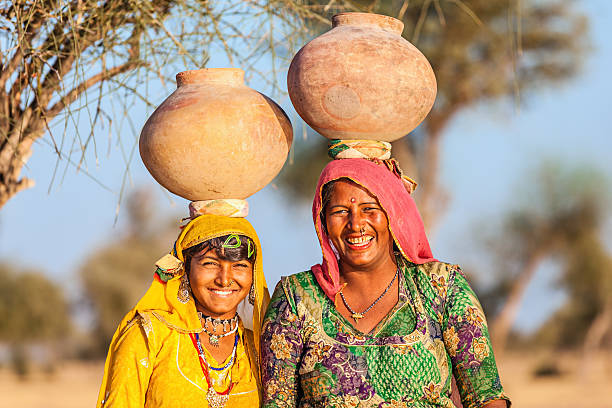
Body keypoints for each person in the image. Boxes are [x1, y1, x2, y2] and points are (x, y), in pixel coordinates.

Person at [261, 151, 510, 407]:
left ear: (393, 213)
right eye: (340, 211)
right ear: (322, 221)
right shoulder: (297, 298)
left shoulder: (441, 286)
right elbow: (277, 401)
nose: (356, 224)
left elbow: (486, 398)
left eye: (370, 209)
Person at [97, 214, 269, 408]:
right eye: (210, 263)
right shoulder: (148, 336)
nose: (224, 279)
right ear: (185, 268)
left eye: (240, 266)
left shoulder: (260, 350)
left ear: (254, 274)